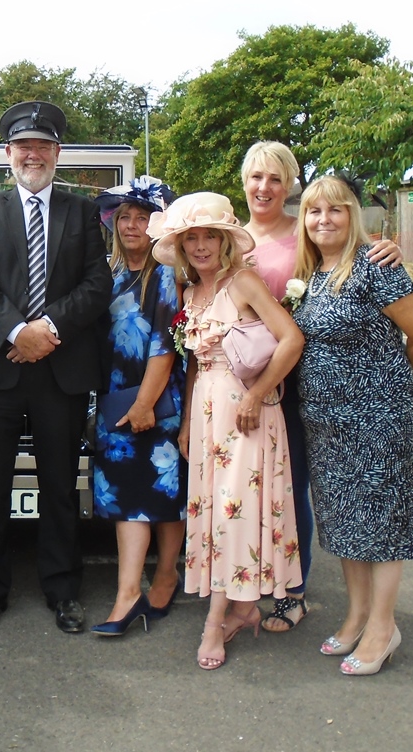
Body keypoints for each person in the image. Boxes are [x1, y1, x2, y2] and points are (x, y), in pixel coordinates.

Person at [0, 101, 113, 634]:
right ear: (8, 154)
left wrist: (46, 330)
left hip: (60, 370)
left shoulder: (83, 210)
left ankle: (63, 591)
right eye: (24, 146)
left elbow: (98, 284)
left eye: (43, 146)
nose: (33, 154)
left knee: (59, 488)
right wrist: (16, 332)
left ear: (57, 154)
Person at [240, 141, 404, 633]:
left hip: (300, 384)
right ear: (244, 182)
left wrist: (388, 245)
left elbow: (355, 256)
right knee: (250, 487)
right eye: (256, 177)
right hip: (241, 384)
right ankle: (246, 582)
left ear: (290, 186)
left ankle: (293, 592)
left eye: (276, 178)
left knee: (295, 490)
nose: (265, 187)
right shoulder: (230, 237)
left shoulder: (309, 234)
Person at [151, 192, 304, 670]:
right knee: (216, 510)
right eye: (190, 238)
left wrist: (257, 396)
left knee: (232, 514)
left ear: (225, 241)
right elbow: (197, 363)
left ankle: (214, 623)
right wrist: (188, 425)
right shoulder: (190, 292)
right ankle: (242, 607)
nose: (200, 246)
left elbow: (292, 339)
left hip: (246, 413)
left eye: (208, 237)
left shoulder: (244, 282)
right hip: (207, 416)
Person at [292, 176, 413, 675]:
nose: (323, 220)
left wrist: (387, 382)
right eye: (314, 211)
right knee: (344, 522)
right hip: (326, 425)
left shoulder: (377, 266)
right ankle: (355, 617)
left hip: (376, 422)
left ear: (353, 214)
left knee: (381, 524)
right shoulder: (312, 273)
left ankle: (383, 627)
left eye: (335, 210)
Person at [88, 177, 187, 637]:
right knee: (131, 497)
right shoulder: (106, 274)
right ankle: (132, 592)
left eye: (143, 217)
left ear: (157, 225)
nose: (132, 224)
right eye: (125, 216)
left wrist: (147, 402)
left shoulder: (167, 271)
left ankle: (163, 575)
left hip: (158, 398)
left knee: (164, 494)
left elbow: (165, 342)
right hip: (114, 400)